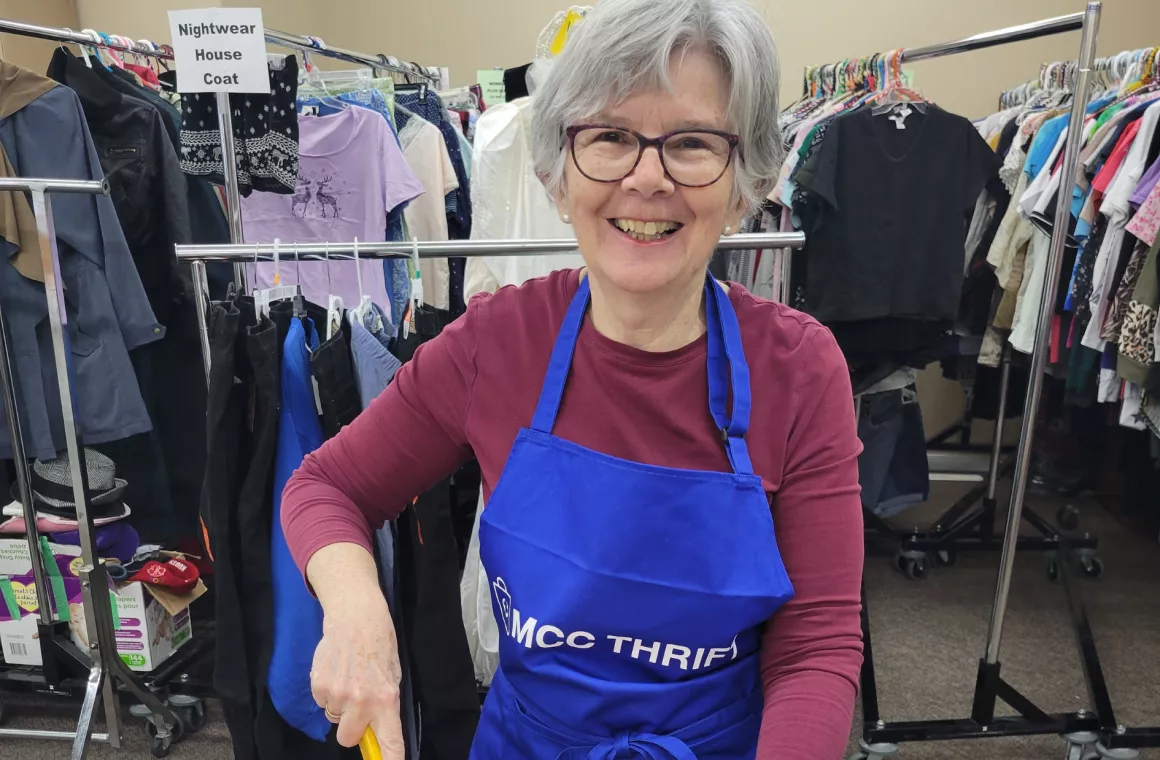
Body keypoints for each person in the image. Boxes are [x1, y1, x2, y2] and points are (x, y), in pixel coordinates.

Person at [281, 0, 865, 757]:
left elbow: (815, 645)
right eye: (611, 137)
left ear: (746, 183)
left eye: (690, 143)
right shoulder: (497, 341)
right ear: (560, 176)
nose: (645, 178)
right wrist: (356, 608)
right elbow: (326, 488)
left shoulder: (799, 366)